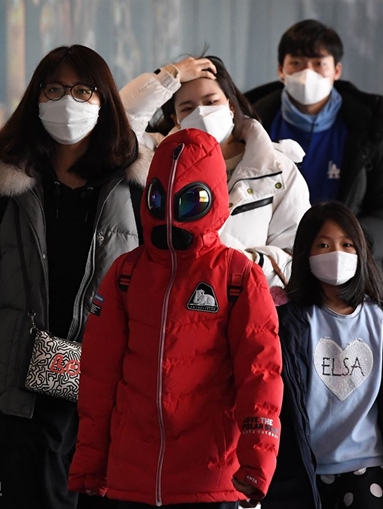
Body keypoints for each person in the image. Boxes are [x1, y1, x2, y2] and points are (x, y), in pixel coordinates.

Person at [0, 45, 152, 508]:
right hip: (21, 386)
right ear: (36, 98)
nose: (66, 101)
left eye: (80, 90)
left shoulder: (134, 188)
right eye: (54, 89)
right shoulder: (2, 188)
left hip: (105, 387)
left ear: (103, 100)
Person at [68, 128, 283, 508]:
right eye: (160, 200)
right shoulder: (125, 274)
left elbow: (260, 376)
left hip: (210, 478)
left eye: (188, 202)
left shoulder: (237, 275)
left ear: (213, 198)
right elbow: (98, 378)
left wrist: (257, 462)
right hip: (129, 478)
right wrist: (89, 461)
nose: (171, 215)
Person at [262, 201, 383, 509]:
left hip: (368, 469)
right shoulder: (285, 323)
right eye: (323, 244)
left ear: (361, 252)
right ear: (305, 253)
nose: (337, 254)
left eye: (347, 244)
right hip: (303, 472)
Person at [120, 55, 310, 287]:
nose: (201, 113)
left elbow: (296, 256)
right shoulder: (158, 159)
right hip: (174, 302)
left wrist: (247, 262)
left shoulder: (276, 169)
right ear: (176, 119)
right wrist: (171, 76)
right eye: (188, 108)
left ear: (230, 105)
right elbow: (117, 128)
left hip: (247, 305)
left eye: (211, 102)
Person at [244, 19, 383, 267]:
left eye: (319, 64)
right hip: (267, 267)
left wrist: (351, 242)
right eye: (296, 63)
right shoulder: (250, 127)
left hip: (347, 272)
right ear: (281, 71)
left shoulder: (367, 134)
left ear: (336, 70)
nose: (307, 73)